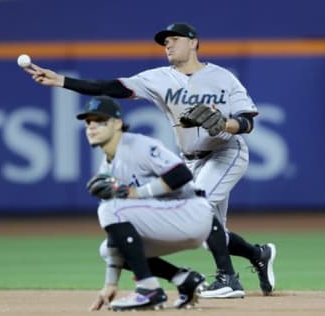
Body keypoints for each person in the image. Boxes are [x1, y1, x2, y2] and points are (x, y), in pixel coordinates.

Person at [23, 22, 276, 298]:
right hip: (191, 159)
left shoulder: (222, 77)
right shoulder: (158, 78)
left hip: (226, 152)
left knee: (199, 207)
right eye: (164, 41)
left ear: (193, 43)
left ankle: (228, 279)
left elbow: (247, 122)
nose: (167, 44)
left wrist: (224, 124)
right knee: (210, 230)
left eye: (174, 39)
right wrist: (61, 81)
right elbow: (113, 88)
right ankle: (258, 254)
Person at [78, 96, 216, 311]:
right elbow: (117, 234)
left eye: (100, 120)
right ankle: (183, 278)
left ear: (117, 124)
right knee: (108, 249)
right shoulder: (106, 167)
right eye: (88, 122)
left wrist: (137, 193)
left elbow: (181, 175)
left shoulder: (138, 145)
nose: (92, 127)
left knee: (110, 208)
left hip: (189, 211)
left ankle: (148, 289)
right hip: (167, 219)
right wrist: (110, 283)